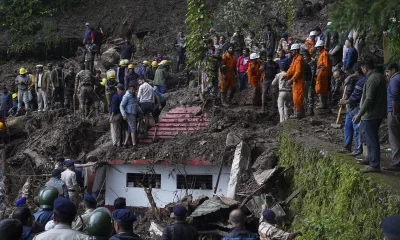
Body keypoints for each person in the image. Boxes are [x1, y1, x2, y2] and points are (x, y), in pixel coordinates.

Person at [353, 57, 387, 173]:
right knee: (371, 138)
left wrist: (359, 114)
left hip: (371, 114)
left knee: (371, 139)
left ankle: (374, 164)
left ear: (364, 68)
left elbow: (369, 99)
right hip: (376, 112)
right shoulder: (378, 76)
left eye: (362, 68)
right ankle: (371, 159)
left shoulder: (373, 79)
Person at [339, 63, 366, 156]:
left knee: (356, 128)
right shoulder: (352, 79)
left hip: (357, 106)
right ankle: (347, 146)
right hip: (350, 107)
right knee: (348, 127)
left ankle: (358, 149)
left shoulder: (363, 81)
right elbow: (349, 92)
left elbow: (355, 97)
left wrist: (345, 102)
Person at [383, 63, 400, 171]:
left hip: (394, 112)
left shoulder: (394, 80)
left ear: (393, 70)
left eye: (388, 71)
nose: (386, 74)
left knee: (394, 137)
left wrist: (394, 112)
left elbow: (394, 97)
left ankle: (396, 162)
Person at [284, 43, 305, 119]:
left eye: (292, 51)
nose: (291, 52)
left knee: (298, 98)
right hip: (296, 81)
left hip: (299, 81)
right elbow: (291, 69)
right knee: (295, 97)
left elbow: (298, 72)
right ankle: (300, 113)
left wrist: (291, 79)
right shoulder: (295, 59)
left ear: (296, 50)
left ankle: (298, 114)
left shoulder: (299, 59)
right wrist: (286, 75)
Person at [120, 84, 139, 149]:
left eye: (134, 90)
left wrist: (140, 112)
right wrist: (124, 115)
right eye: (132, 90)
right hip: (129, 114)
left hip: (133, 113)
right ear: (129, 89)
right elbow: (121, 106)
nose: (134, 91)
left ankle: (125, 144)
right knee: (133, 129)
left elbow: (136, 104)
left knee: (130, 129)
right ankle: (134, 145)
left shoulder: (134, 96)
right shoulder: (126, 96)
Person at [315, 40, 331, 110]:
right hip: (321, 72)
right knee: (321, 88)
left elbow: (326, 65)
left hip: (323, 73)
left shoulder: (324, 54)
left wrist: (320, 68)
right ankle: (323, 103)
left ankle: (323, 103)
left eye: (318, 47)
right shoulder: (322, 53)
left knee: (321, 88)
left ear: (321, 46)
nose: (317, 48)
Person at [303, 51, 317, 116]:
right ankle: (306, 110)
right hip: (307, 81)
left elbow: (313, 73)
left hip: (310, 81)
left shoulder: (312, 63)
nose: (304, 58)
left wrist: (311, 81)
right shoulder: (306, 63)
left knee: (310, 96)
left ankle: (310, 110)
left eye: (305, 57)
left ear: (308, 56)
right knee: (306, 97)